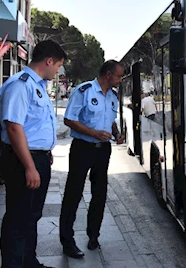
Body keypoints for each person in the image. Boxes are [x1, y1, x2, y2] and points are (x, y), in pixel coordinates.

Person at [0, 40, 66, 268]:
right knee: (18, 218)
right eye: (58, 66)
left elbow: (33, 126)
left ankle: (29, 262)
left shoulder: (38, 86)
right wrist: (29, 166)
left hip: (37, 157)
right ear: (48, 61)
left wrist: (45, 152)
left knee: (32, 215)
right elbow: (14, 127)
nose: (58, 71)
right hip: (22, 160)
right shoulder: (21, 85)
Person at [59, 60, 125, 257]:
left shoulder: (112, 96)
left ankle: (93, 235)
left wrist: (117, 133)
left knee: (100, 193)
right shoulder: (84, 91)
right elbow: (69, 119)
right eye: (119, 76)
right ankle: (67, 240)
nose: (120, 80)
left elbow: (110, 120)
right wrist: (93, 133)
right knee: (74, 192)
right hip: (82, 148)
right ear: (107, 74)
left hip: (103, 150)